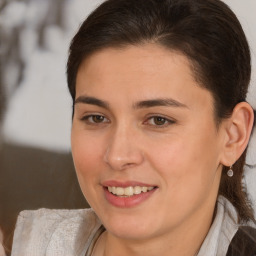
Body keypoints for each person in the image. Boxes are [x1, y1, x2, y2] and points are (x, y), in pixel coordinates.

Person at [11, 0, 256, 255]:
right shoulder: (26, 246)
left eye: (158, 120)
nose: (117, 156)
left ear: (233, 135)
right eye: (96, 118)